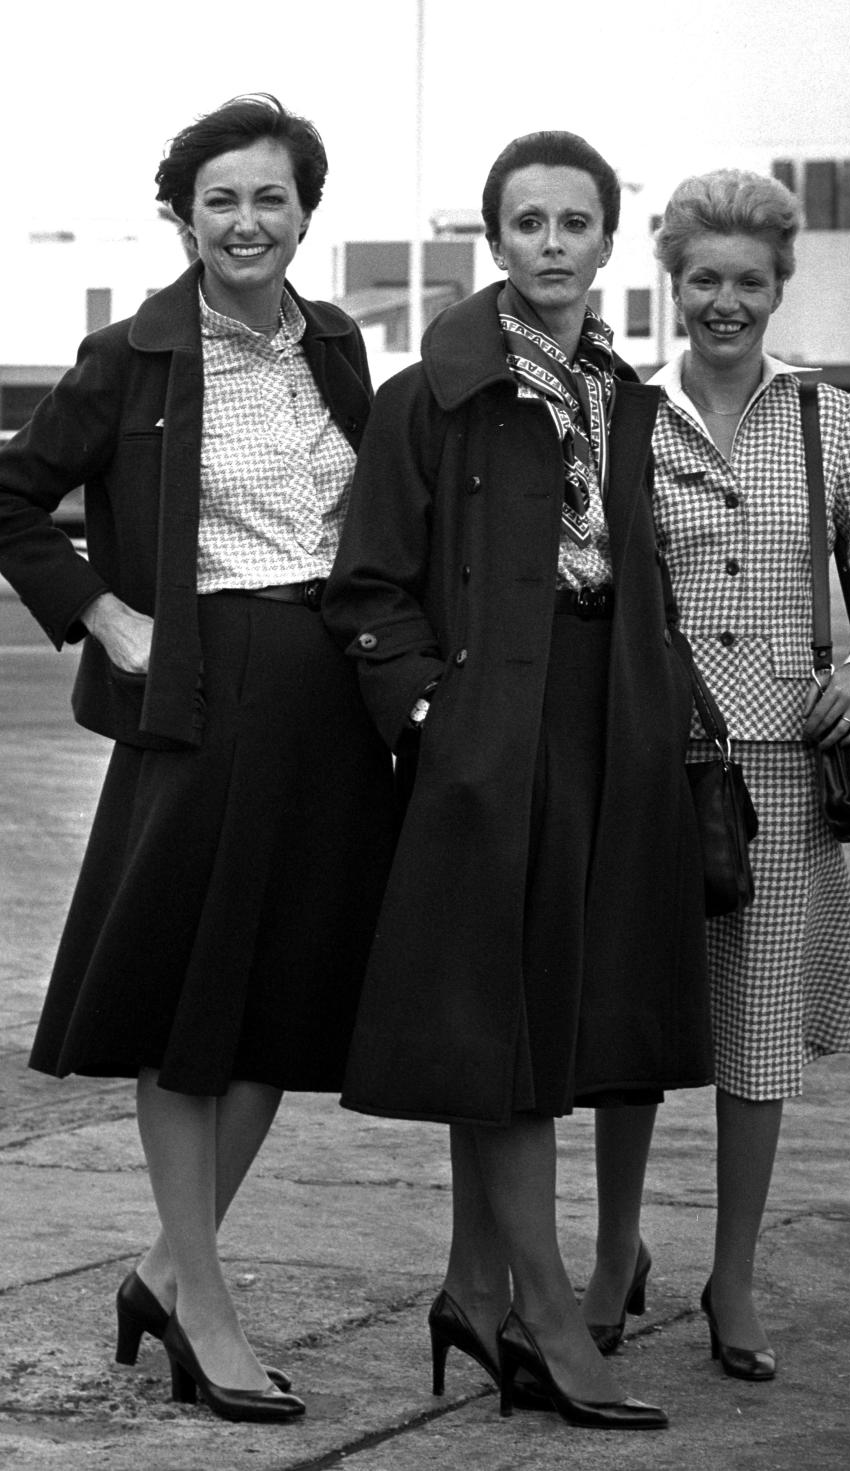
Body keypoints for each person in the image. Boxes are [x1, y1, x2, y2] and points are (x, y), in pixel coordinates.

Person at [0, 95, 396, 1423]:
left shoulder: (339, 346)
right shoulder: (132, 356)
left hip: (332, 709)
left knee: (282, 1001)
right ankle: (208, 1305)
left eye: (271, 198)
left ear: (304, 213)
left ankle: (171, 1270)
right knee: (184, 1008)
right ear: (182, 215)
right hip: (201, 704)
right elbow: (11, 492)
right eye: (221, 198)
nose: (247, 221)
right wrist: (103, 611)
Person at [323, 131, 712, 1431]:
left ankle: (467, 1289)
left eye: (575, 222)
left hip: (616, 722)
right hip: (496, 728)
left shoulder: (629, 394)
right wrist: (432, 705)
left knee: (564, 1010)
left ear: (608, 239)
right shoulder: (430, 392)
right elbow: (368, 580)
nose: (551, 242)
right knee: (502, 1017)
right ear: (497, 239)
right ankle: (543, 1307)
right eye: (528, 222)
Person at [581, 168, 850, 1381]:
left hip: (785, 775)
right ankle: (615, 1253)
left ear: (782, 287)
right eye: (705, 279)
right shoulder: (622, 412)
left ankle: (734, 1275)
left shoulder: (828, 419)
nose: (726, 302)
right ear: (673, 283)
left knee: (756, 1040)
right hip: (649, 768)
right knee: (631, 1026)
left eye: (751, 282)